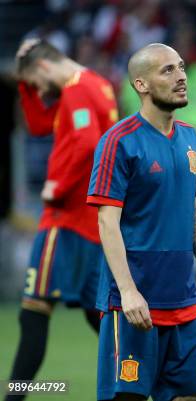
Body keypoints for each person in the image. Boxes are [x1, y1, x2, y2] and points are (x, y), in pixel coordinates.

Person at [86, 43, 196, 401]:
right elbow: (107, 223)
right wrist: (129, 291)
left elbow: (191, 208)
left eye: (181, 67)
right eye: (167, 70)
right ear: (141, 84)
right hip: (135, 303)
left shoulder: (189, 137)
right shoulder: (118, 141)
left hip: (184, 299)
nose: (181, 76)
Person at [6, 38, 118, 401]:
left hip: (65, 219)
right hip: (90, 222)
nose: (39, 92)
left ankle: (13, 396)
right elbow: (40, 125)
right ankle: (141, 378)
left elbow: (86, 144)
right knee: (95, 313)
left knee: (34, 309)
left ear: (44, 67)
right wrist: (24, 80)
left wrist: (56, 185)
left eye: (36, 83)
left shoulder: (76, 91)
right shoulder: (97, 85)